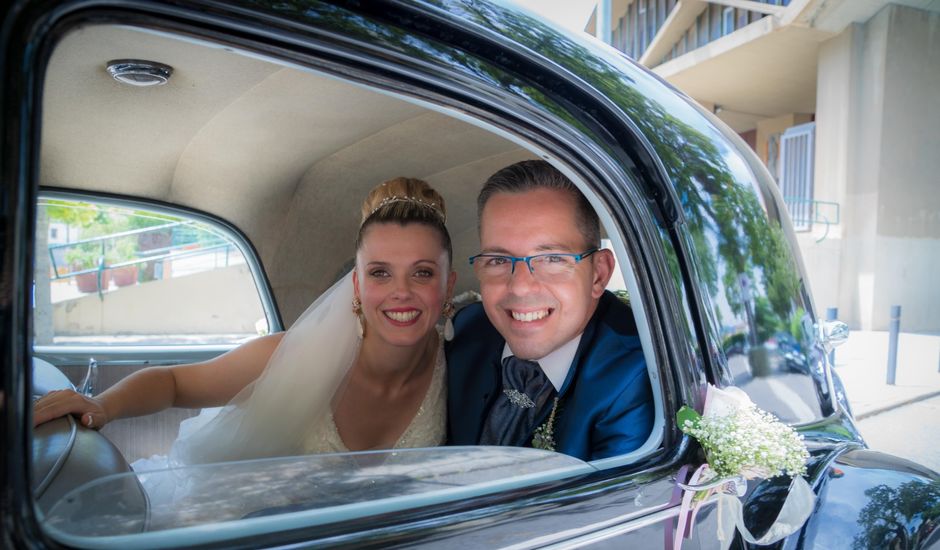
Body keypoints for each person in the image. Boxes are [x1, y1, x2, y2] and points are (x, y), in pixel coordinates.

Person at [33, 177, 456, 463]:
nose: (402, 291)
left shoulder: (467, 360)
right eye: (380, 272)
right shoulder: (299, 355)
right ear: (357, 287)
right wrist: (101, 406)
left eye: (422, 272)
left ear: (449, 284)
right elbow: (175, 382)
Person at [446, 160, 654, 461]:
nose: (520, 287)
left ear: (598, 274)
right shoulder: (468, 329)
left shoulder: (635, 377)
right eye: (498, 260)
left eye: (552, 259)